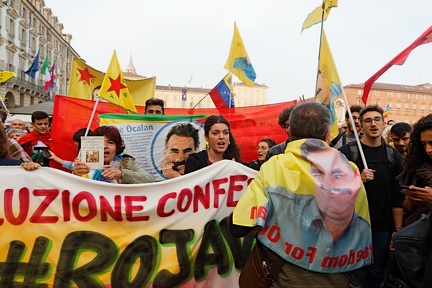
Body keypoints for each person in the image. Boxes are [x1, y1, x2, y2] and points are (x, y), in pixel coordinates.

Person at [230, 102, 372, 287]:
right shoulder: (349, 170)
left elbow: (239, 227)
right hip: (335, 280)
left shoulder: (276, 165)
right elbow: (360, 234)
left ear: (290, 132)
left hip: (285, 279)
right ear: (327, 135)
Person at [338, 105, 405, 288]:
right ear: (360, 125)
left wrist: (397, 229)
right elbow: (334, 189)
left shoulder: (393, 157)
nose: (373, 124)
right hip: (352, 224)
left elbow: (398, 194)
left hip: (382, 226)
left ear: (384, 124)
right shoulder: (346, 153)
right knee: (347, 270)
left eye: (377, 120)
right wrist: (358, 179)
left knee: (376, 271)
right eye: (368, 120)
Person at [72, 125, 154, 184]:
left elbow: (150, 179)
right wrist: (75, 174)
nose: (104, 146)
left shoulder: (126, 162)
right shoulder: (84, 163)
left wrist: (121, 174)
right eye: (99, 143)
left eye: (110, 143)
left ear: (117, 147)